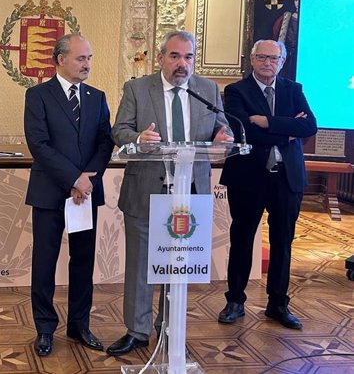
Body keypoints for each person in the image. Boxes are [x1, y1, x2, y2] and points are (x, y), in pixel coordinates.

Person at [108, 30, 232, 356]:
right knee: (141, 265)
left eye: (188, 57)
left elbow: (223, 128)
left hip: (189, 195)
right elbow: (119, 131)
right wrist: (139, 138)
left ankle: (169, 327)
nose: (182, 64)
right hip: (147, 189)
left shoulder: (207, 90)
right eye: (175, 56)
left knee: (177, 265)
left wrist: (224, 136)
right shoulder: (137, 89)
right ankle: (137, 330)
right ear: (160, 57)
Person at [24, 34, 113, 357]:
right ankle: (45, 329)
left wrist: (87, 179)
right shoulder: (38, 96)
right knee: (45, 263)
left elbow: (106, 141)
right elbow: (39, 144)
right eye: (81, 58)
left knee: (83, 261)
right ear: (60, 59)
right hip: (50, 193)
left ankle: (79, 326)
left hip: (86, 194)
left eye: (89, 58)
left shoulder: (97, 96)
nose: (87, 64)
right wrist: (73, 178)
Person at [218, 39, 317, 330]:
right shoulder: (236, 91)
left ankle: (278, 304)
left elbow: (309, 125)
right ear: (252, 59)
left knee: (283, 242)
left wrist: (268, 122)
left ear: (282, 61)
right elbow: (243, 131)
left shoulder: (293, 90)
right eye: (261, 57)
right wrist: (287, 129)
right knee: (242, 238)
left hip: (287, 178)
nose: (267, 63)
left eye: (273, 58)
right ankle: (235, 300)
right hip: (248, 177)